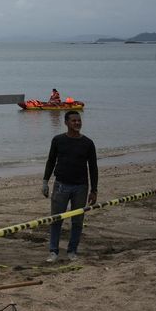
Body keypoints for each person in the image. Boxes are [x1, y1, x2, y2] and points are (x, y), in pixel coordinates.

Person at [41, 110, 98, 262]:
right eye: (73, 121)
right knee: (56, 220)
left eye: (79, 120)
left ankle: (72, 251)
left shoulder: (88, 143)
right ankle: (53, 251)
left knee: (77, 221)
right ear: (66, 123)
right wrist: (45, 182)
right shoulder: (58, 140)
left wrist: (94, 190)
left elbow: (93, 168)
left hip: (81, 187)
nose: (77, 123)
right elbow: (51, 161)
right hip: (61, 186)